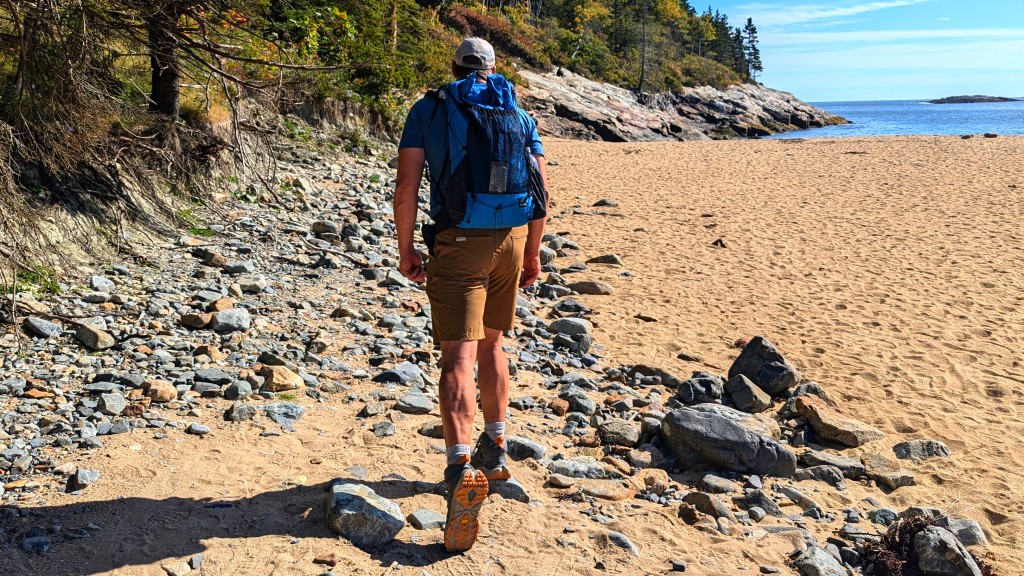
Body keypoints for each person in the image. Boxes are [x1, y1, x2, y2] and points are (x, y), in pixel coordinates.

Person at [392, 37, 549, 552]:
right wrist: (533, 253)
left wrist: (407, 248)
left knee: (457, 355)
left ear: (453, 66)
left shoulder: (430, 109)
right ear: (494, 67)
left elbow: (407, 185)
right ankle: (497, 444)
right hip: (511, 238)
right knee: (492, 345)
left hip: (458, 240)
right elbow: (541, 188)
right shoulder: (517, 112)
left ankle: (461, 465)